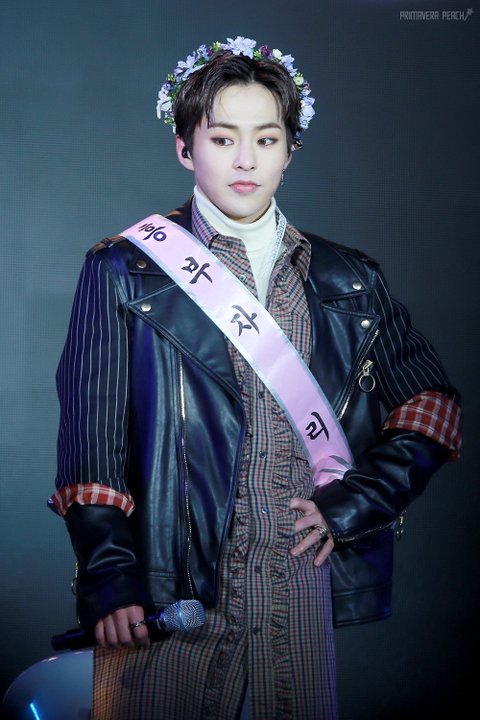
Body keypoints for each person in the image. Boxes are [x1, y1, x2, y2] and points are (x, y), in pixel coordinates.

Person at [49, 36, 462, 720]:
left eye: (267, 139)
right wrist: (109, 575)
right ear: (185, 147)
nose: (246, 160)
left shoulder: (351, 277)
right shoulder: (122, 270)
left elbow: (433, 406)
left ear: (290, 150)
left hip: (299, 576)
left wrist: (357, 501)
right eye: (223, 138)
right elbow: (91, 442)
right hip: (166, 588)